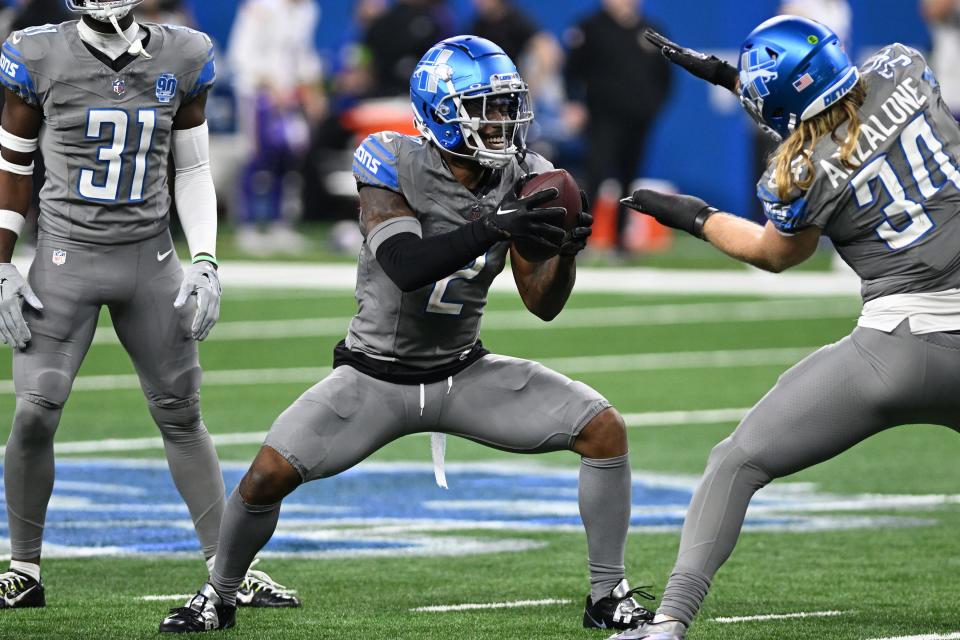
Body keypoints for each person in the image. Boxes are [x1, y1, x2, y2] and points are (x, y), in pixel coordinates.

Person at [158, 35, 654, 634]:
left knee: (603, 429)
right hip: (374, 375)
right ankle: (219, 593)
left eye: (506, 106)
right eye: (485, 107)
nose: (502, 122)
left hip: (463, 371)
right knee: (266, 476)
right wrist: (495, 225)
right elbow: (407, 266)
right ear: (441, 112)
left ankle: (607, 594)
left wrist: (564, 253)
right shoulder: (390, 159)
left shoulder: (526, 175)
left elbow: (541, 304)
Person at [611, 17, 960, 640]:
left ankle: (667, 624)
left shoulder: (795, 174)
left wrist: (698, 217)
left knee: (736, 462)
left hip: (896, 349)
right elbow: (848, 108)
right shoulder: (905, 65)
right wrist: (742, 82)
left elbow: (777, 254)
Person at [0, 0, 296, 610]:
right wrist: (2, 264)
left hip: (150, 259)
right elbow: (13, 164)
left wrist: (207, 261)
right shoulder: (37, 53)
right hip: (64, 257)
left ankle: (228, 568)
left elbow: (192, 169)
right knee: (34, 412)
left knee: (182, 415)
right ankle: (23, 566)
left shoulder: (183, 54)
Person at [565, 0, 671, 253]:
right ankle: (581, 237)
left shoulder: (650, 30)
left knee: (629, 179)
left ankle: (620, 240)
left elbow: (665, 75)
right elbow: (571, 70)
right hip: (602, 117)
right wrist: (574, 103)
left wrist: (651, 107)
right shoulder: (591, 27)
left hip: (637, 119)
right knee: (595, 175)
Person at [227, 0, 324, 256]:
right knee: (256, 156)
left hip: (288, 95)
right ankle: (248, 226)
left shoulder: (307, 10)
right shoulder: (260, 7)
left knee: (288, 157)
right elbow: (241, 54)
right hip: (256, 93)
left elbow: (301, 53)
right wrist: (269, 84)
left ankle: (281, 224)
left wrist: (312, 90)